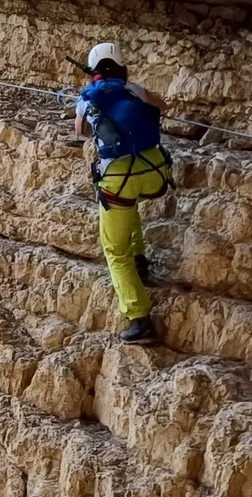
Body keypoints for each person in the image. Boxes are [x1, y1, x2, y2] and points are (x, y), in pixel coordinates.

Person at [74, 42, 172, 344]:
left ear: (94, 72)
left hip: (119, 178)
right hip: (154, 171)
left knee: (115, 251)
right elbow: (161, 107)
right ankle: (140, 260)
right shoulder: (134, 89)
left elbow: (81, 131)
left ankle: (139, 318)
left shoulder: (88, 98)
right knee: (131, 205)